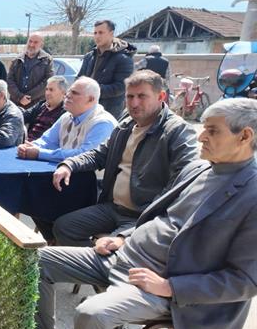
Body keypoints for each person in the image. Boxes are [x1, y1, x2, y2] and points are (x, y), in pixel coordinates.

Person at [32, 98, 257, 329]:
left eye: (212, 131)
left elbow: (245, 281)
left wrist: (170, 287)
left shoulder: (252, 195)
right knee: (36, 261)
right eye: (203, 128)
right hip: (123, 257)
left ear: (245, 136)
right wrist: (123, 237)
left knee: (93, 313)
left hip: (165, 287)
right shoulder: (198, 168)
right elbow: (159, 217)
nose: (201, 136)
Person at [51, 70, 198, 247]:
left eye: (142, 96)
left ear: (161, 96)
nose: (134, 103)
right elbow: (99, 154)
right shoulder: (126, 124)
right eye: (130, 97)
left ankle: (103, 260)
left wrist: (142, 221)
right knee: (64, 227)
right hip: (112, 208)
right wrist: (69, 164)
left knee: (111, 248)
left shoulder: (177, 130)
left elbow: (183, 180)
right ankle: (93, 261)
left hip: (145, 216)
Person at [17, 77, 117, 163]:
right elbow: (47, 141)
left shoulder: (102, 123)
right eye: (69, 91)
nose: (67, 95)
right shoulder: (67, 117)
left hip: (89, 178)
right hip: (62, 173)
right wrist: (29, 147)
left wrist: (40, 153)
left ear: (90, 99)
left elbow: (84, 155)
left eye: (74, 93)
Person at [77, 20, 136, 119]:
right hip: (85, 107)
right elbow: (80, 77)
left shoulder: (124, 58)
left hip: (108, 111)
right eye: (95, 33)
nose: (97, 36)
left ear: (111, 33)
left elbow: (121, 87)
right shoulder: (89, 56)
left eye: (101, 32)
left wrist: (93, 90)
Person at [7, 34, 54, 107]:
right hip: (16, 103)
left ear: (41, 45)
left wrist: (29, 97)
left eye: (35, 42)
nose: (32, 45)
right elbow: (10, 80)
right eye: (30, 41)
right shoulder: (17, 60)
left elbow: (48, 82)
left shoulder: (47, 60)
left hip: (37, 105)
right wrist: (20, 97)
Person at [22, 76, 68, 141]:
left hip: (43, 145)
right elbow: (23, 116)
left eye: (51, 90)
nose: (47, 93)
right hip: (26, 142)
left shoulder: (66, 113)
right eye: (46, 89)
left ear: (63, 93)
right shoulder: (41, 105)